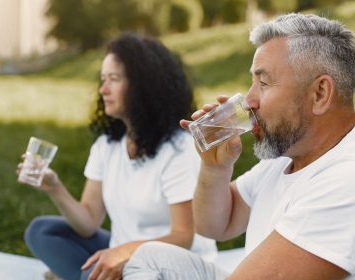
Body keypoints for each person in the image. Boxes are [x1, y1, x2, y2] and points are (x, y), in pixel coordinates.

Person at [122, 13, 355, 280]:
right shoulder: (290, 156)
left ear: (319, 93)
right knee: (151, 258)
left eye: (263, 83)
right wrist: (215, 168)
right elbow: (214, 225)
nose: (248, 100)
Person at [18, 33, 217, 280]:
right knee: (43, 231)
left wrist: (123, 253)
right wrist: (54, 188)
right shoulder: (107, 146)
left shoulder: (179, 149)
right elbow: (88, 221)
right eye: (103, 79)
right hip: (123, 254)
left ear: (142, 86)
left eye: (114, 79)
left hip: (175, 264)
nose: (103, 89)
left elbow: (183, 236)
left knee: (95, 273)